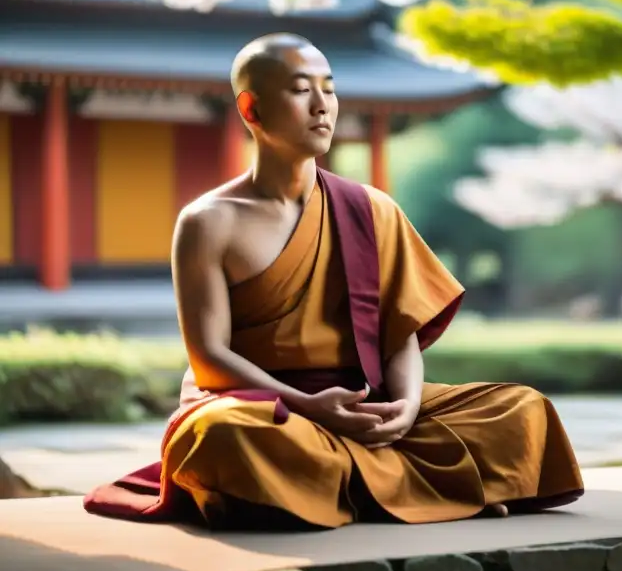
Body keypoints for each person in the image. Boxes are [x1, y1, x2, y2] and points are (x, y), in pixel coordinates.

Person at [84, 33, 584, 530]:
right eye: (302, 90)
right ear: (252, 109)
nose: (324, 106)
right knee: (221, 436)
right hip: (269, 409)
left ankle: (345, 489)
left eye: (330, 88)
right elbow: (210, 360)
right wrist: (309, 408)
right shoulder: (208, 221)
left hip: (364, 403)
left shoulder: (371, 209)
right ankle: (423, 489)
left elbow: (399, 334)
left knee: (522, 411)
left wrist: (406, 408)